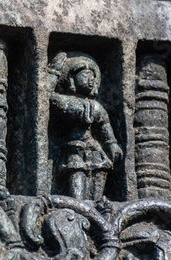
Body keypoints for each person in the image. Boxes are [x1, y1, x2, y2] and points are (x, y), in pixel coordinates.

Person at [48, 52, 122, 200]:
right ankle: (78, 206)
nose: (90, 80)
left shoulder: (97, 107)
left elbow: (105, 128)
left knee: (99, 174)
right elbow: (45, 95)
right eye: (84, 75)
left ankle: (94, 207)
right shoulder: (66, 102)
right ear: (71, 80)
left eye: (92, 76)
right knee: (77, 175)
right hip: (74, 149)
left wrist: (113, 145)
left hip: (95, 150)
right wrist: (54, 72)